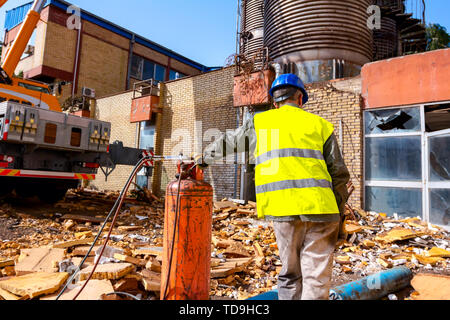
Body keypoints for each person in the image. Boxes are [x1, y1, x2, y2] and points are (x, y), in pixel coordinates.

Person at [197, 73, 350, 300]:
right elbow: (339, 175)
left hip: (283, 212)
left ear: (275, 102)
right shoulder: (321, 126)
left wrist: (203, 159)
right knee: (315, 278)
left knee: (289, 276)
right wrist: (340, 215)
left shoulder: (261, 123)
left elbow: (228, 142)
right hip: (322, 211)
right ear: (300, 99)